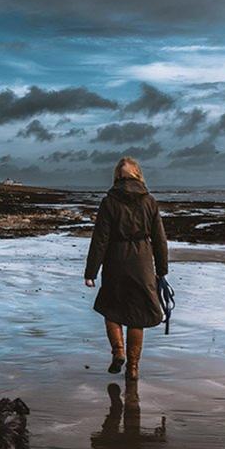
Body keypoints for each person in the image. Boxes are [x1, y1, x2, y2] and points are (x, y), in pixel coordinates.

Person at [84, 157, 168, 411]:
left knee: (112, 308)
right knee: (137, 316)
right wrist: (161, 270)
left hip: (116, 260)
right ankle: (132, 368)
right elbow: (159, 239)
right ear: (138, 175)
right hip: (142, 261)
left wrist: (91, 271)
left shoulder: (109, 202)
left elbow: (100, 239)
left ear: (118, 177)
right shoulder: (149, 201)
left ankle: (117, 351)